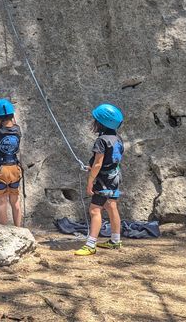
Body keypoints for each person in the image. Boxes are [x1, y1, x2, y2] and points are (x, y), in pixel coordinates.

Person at [75, 103, 125, 256]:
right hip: (115, 176)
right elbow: (112, 159)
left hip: (103, 179)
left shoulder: (101, 140)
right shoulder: (118, 138)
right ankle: (115, 241)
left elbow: (98, 162)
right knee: (111, 206)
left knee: (95, 210)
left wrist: (90, 180)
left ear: (101, 123)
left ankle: (91, 245)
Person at [0, 98, 23, 227]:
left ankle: (5, 231)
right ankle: (18, 228)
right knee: (15, 200)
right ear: (12, 115)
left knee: (2, 202)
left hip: (0, 169)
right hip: (15, 168)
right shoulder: (17, 130)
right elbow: (13, 129)